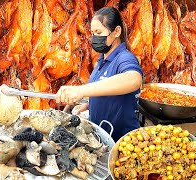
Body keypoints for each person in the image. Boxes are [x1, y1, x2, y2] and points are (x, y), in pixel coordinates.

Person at [56, 7, 143, 141]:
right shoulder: (101, 60)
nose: (94, 37)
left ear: (116, 32)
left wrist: (81, 90)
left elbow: (133, 80)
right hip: (102, 136)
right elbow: (107, 91)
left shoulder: (124, 58)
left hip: (122, 141)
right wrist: (89, 104)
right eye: (92, 33)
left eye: (98, 32)